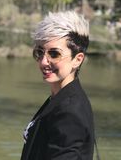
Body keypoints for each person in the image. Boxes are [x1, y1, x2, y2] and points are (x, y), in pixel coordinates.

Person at [21, 11, 95, 160]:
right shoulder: (59, 98)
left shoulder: (70, 111)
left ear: (77, 59)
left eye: (54, 54)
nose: (43, 62)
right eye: (39, 52)